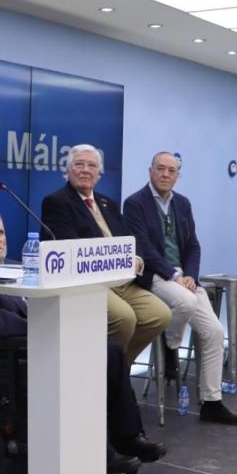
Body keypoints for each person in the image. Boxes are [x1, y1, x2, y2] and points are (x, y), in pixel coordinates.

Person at [0, 208, 167, 474]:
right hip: (7, 358)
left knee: (112, 352)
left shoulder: (15, 266)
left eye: (0, 232)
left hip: (37, 345)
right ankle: (98, 453)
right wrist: (45, 326)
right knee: (86, 368)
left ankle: (129, 437)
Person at [123, 152, 237, 425]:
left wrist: (190, 274)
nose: (166, 174)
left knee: (215, 332)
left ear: (178, 175)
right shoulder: (134, 203)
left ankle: (212, 402)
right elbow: (142, 248)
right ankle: (171, 343)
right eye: (161, 169)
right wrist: (174, 274)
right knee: (186, 303)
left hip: (183, 279)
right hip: (155, 276)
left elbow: (193, 245)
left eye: (172, 170)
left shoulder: (183, 203)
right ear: (150, 171)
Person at [40, 144, 170, 365]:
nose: (85, 170)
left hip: (122, 280)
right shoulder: (57, 202)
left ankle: (116, 370)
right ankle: (106, 375)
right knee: (124, 318)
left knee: (160, 315)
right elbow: (68, 249)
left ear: (99, 174)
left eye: (92, 166)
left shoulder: (107, 202)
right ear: (68, 170)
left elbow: (128, 239)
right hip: (91, 283)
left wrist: (137, 259)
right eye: (79, 164)